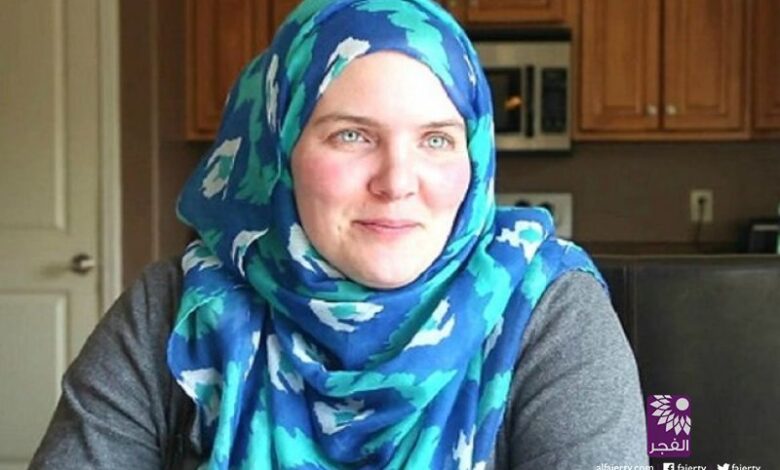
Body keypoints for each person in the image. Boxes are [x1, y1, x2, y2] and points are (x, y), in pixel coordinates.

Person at [30, 0, 647, 468]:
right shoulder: (175, 308)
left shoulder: (545, 308)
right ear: (279, 151)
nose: (397, 181)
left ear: (475, 157)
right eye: (352, 135)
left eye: (436, 139)